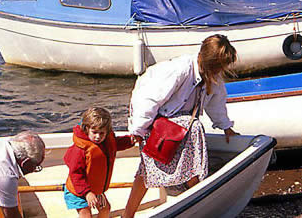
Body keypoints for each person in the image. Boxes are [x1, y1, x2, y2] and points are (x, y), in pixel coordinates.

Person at [122, 35, 239, 218]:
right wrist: (138, 130)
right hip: (159, 121)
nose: (220, 71)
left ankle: (199, 202)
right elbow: (149, 99)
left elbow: (216, 102)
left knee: (192, 157)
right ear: (210, 61)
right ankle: (128, 215)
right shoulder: (179, 69)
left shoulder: (211, 76)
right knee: (147, 169)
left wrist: (225, 126)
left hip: (182, 126)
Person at [63, 108, 136, 218]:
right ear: (87, 129)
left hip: (96, 189)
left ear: (107, 132)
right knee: (86, 215)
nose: (98, 136)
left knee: (105, 209)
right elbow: (76, 174)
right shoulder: (80, 150)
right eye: (94, 132)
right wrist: (87, 193)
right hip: (78, 191)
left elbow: (116, 144)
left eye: (102, 133)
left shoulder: (106, 141)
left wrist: (131, 140)